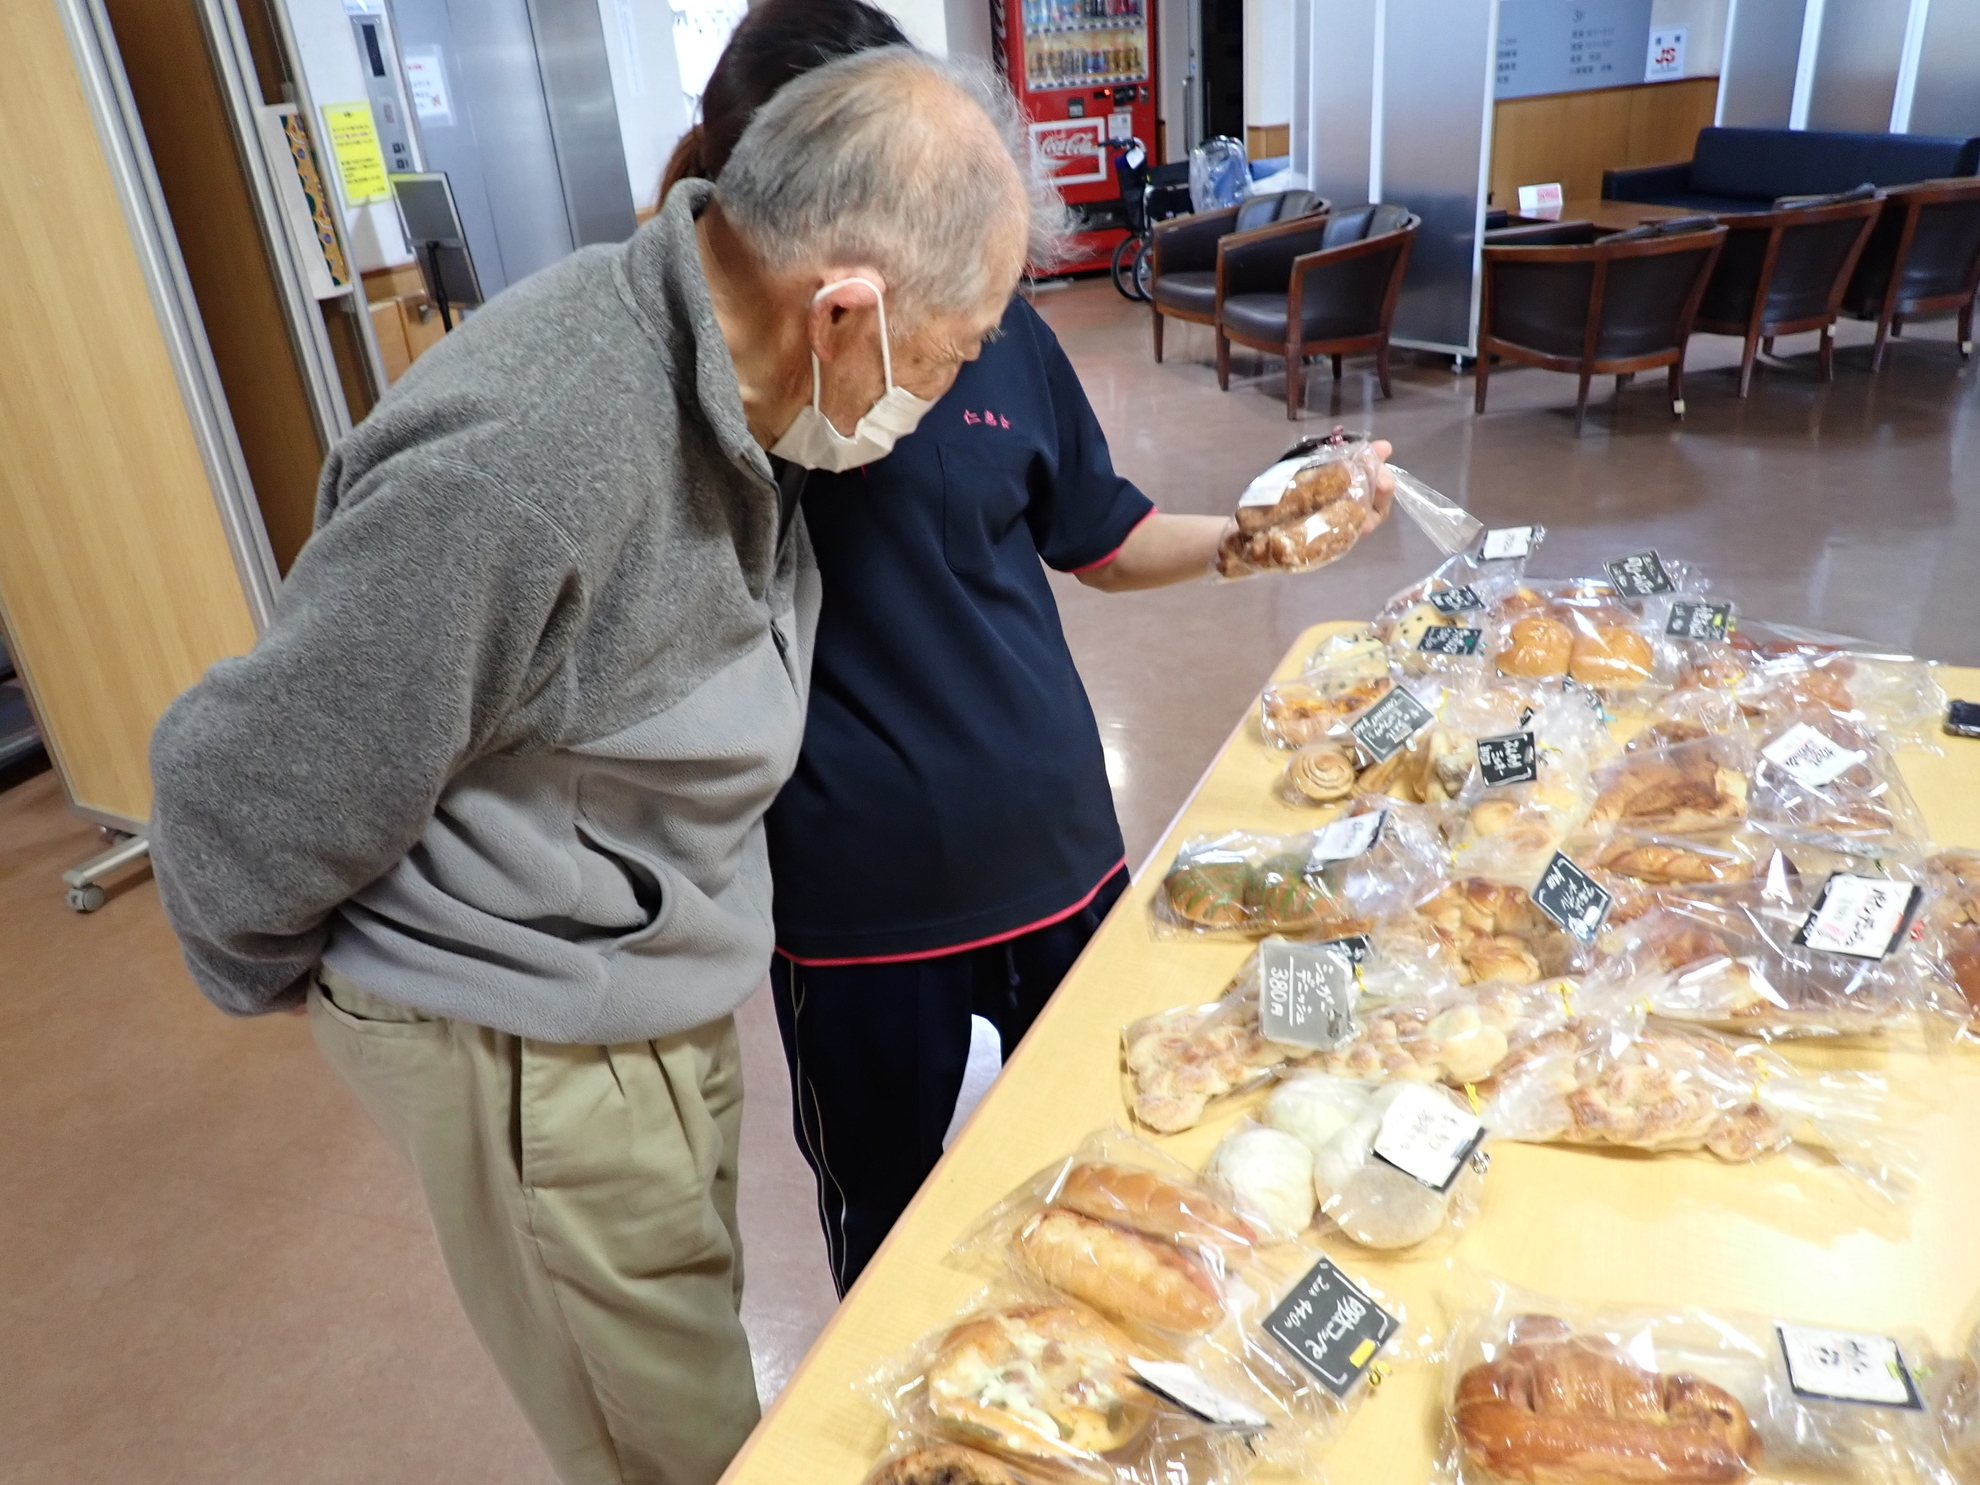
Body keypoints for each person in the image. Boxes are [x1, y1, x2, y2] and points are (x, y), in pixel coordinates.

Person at [146, 49, 1058, 1485]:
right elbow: (242, 787)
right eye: (949, 356)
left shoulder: (739, 374)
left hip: (645, 975)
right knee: (676, 1450)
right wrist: (392, 991)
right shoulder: (534, 457)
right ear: (842, 311)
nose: (941, 397)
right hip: (530, 1023)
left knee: (689, 1341)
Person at [664, 2, 1396, 1296]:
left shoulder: (990, 323)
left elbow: (1099, 536)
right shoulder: (704, 385)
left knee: (1122, 1166)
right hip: (858, 902)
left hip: (1055, 845)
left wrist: (1251, 536)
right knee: (888, 1225)